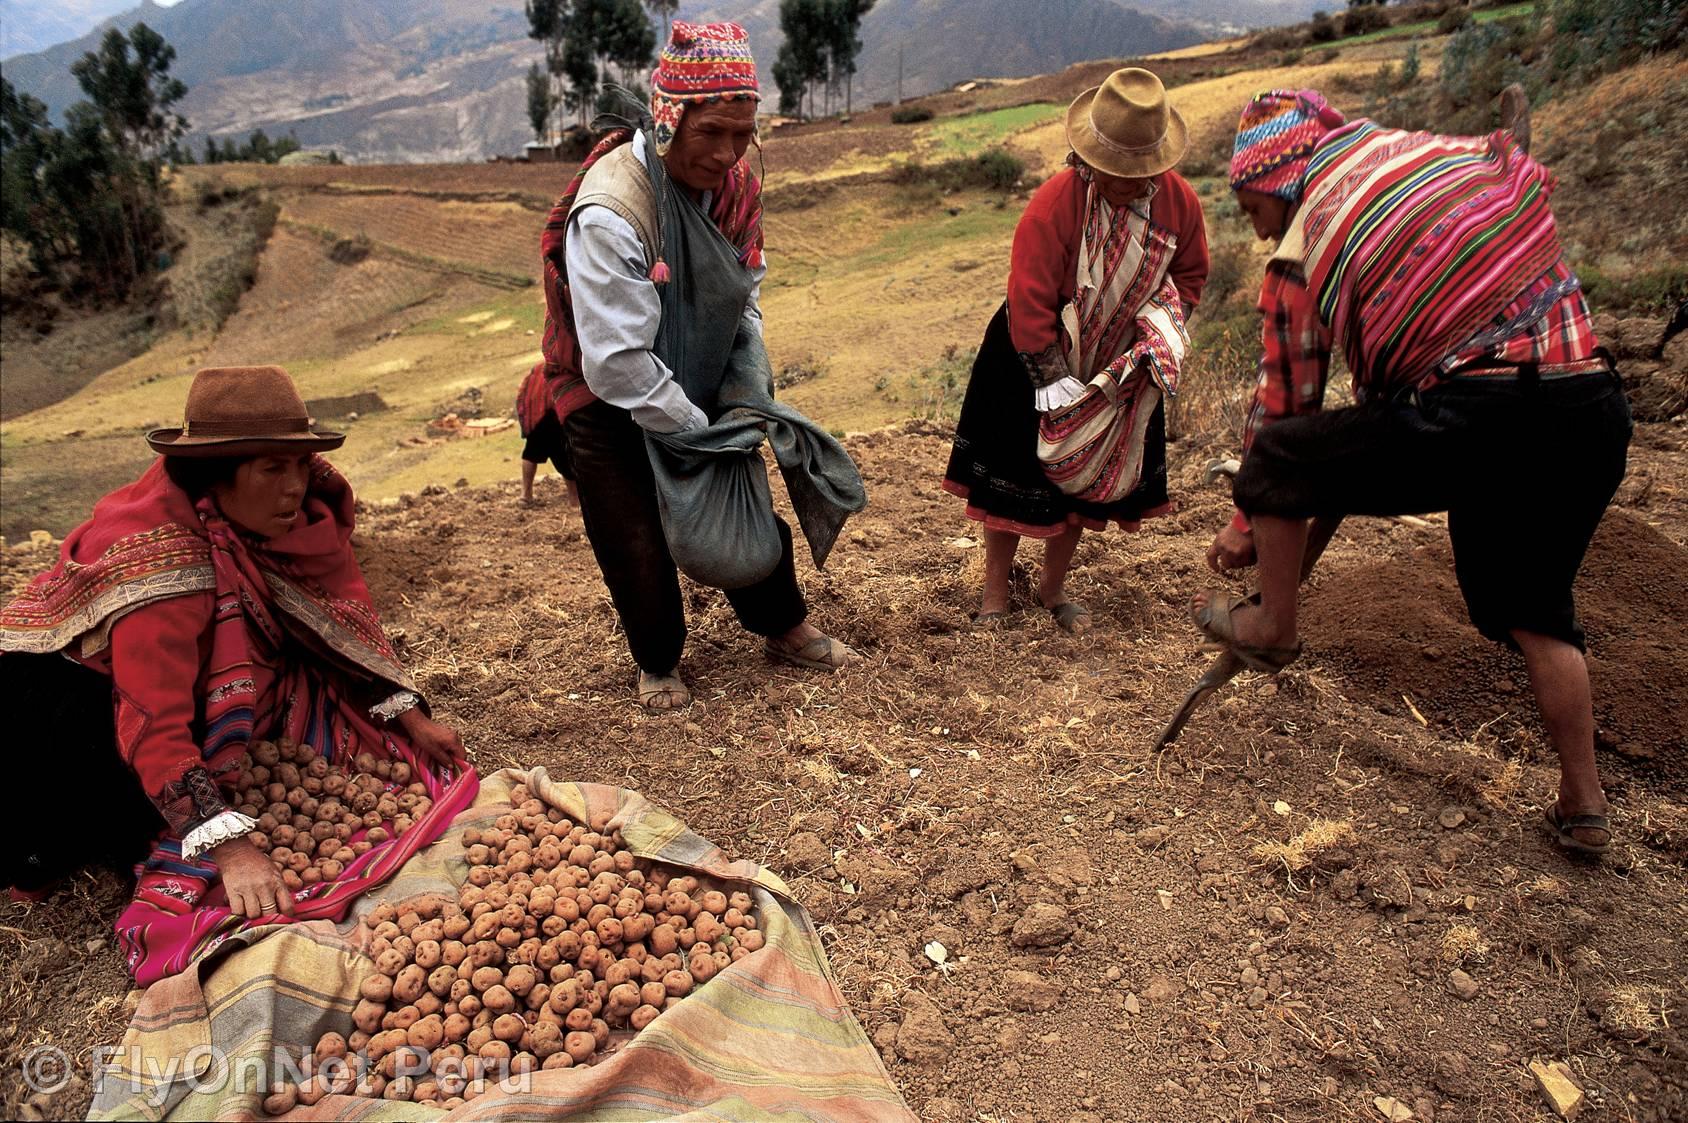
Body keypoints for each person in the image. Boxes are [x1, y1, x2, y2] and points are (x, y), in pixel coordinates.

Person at [1195, 89, 1631, 855]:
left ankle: (1274, 624)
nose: (1250, 224)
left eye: (1246, 204)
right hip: (1589, 405)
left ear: (1277, 181)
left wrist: (1246, 526)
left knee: (1277, 455)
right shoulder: (1421, 164)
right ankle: (1584, 803)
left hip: (1478, 414)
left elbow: (1286, 409)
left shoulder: (1305, 241)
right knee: (1537, 609)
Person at [0, 366, 476, 983]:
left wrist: (409, 717)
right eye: (272, 470)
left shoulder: (291, 521)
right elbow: (153, 719)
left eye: (301, 465)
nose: (295, 488)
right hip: (72, 715)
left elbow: (336, 622)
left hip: (175, 691)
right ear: (214, 475)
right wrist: (232, 847)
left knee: (303, 672)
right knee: (114, 822)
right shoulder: (161, 564)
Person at [535, 21, 865, 714]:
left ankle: (784, 626)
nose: (726, 153)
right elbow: (618, 363)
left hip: (696, 369)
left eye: (741, 135)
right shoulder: (614, 209)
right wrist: (695, 426)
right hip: (603, 391)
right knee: (632, 534)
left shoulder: (738, 189)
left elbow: (742, 294)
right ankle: (657, 661)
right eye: (710, 133)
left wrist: (746, 387)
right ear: (667, 119)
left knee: (741, 498)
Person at [943, 68, 1209, 633]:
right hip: (1034, 352)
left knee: (1084, 475)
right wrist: (1047, 370)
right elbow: (1029, 290)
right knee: (1011, 479)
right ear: (1089, 159)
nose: (1129, 183)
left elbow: (1189, 278)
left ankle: (1053, 588)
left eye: (1140, 174)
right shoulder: (1056, 203)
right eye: (1116, 173)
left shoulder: (1180, 205)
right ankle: (995, 593)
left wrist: (1156, 334)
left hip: (1117, 366)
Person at [516, 361, 580, 507]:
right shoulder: (564, 366)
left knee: (531, 453)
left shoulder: (538, 367)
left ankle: (525, 495)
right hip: (554, 414)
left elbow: (523, 391)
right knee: (564, 457)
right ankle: (574, 500)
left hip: (535, 415)